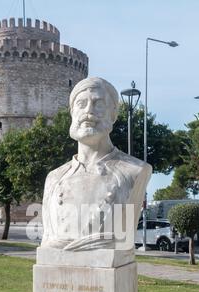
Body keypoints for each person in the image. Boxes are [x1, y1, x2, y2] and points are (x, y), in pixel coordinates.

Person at [41, 77, 152, 251]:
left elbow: (121, 242)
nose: (88, 112)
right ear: (72, 113)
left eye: (98, 104)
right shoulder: (54, 178)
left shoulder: (134, 170)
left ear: (113, 114)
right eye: (81, 104)